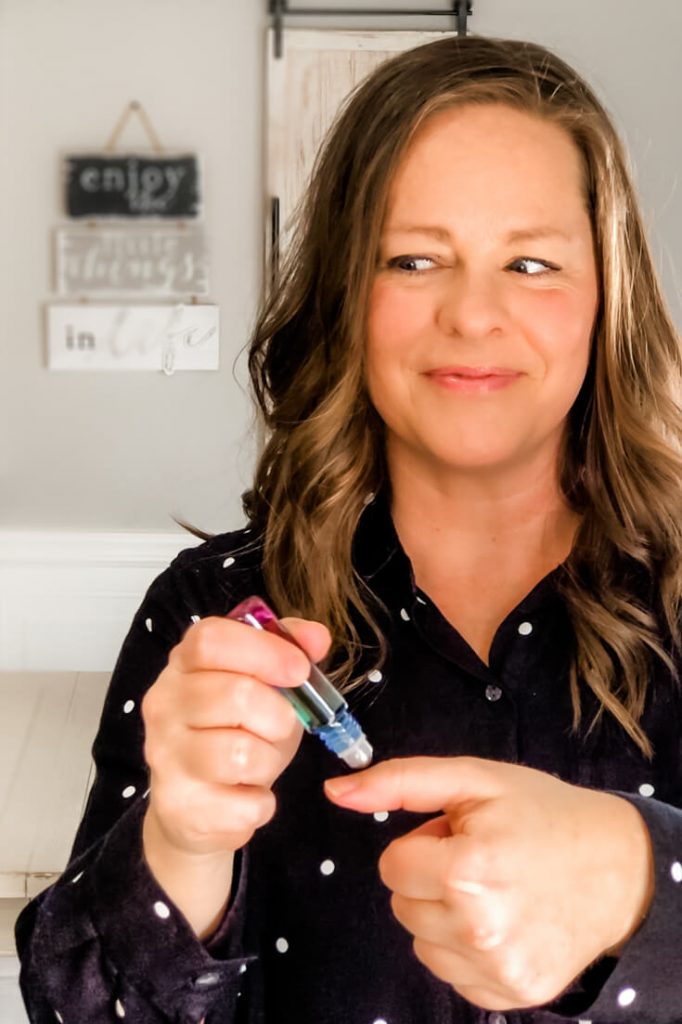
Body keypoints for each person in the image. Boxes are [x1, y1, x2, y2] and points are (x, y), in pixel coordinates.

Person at [15, 32, 682, 1024]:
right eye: (414, 259)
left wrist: (648, 884)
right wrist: (183, 846)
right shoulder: (209, 616)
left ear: (605, 299)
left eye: (531, 262)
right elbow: (76, 1008)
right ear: (344, 293)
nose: (472, 312)